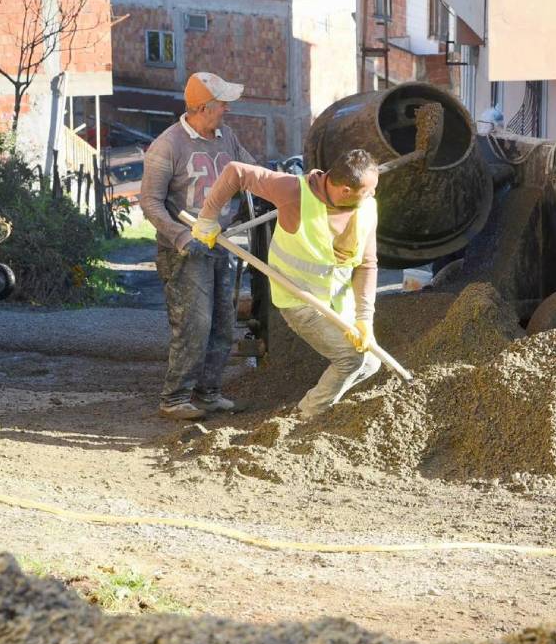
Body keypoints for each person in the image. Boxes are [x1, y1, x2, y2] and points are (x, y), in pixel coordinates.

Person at [192, 149, 381, 419]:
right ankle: (307, 416)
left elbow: (367, 264)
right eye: (368, 190)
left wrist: (365, 319)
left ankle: (324, 409)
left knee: (371, 363)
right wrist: (207, 217)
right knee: (350, 359)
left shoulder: (367, 208)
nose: (373, 193)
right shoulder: (294, 191)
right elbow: (236, 171)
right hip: (299, 298)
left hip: (340, 302)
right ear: (345, 190)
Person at [139, 72, 256, 420]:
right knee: (195, 324)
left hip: (220, 244)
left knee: (223, 323)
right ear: (204, 108)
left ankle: (208, 393)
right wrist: (180, 236)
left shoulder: (227, 138)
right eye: (222, 104)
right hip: (184, 251)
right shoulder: (168, 145)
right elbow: (150, 202)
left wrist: (286, 186)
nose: (227, 109)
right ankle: (174, 398)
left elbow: (251, 172)